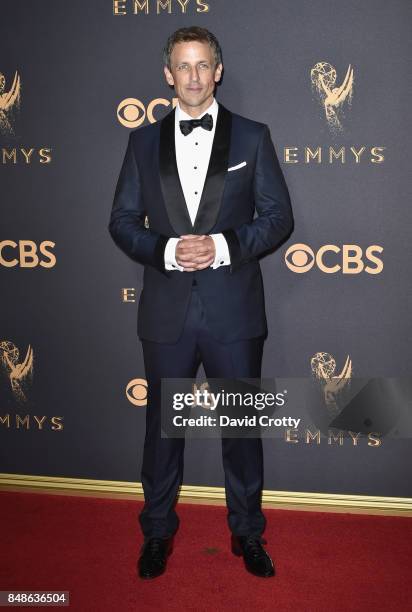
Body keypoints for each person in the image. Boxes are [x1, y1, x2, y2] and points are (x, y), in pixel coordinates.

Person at [109, 26, 293, 580]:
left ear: (218, 71)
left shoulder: (253, 137)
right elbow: (121, 222)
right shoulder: (141, 143)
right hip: (166, 313)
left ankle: (247, 533)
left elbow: (278, 218)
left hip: (233, 311)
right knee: (162, 435)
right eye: (182, 66)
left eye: (202, 65)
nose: (192, 76)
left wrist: (219, 247)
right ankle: (157, 532)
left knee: (241, 432)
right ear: (168, 75)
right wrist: (167, 251)